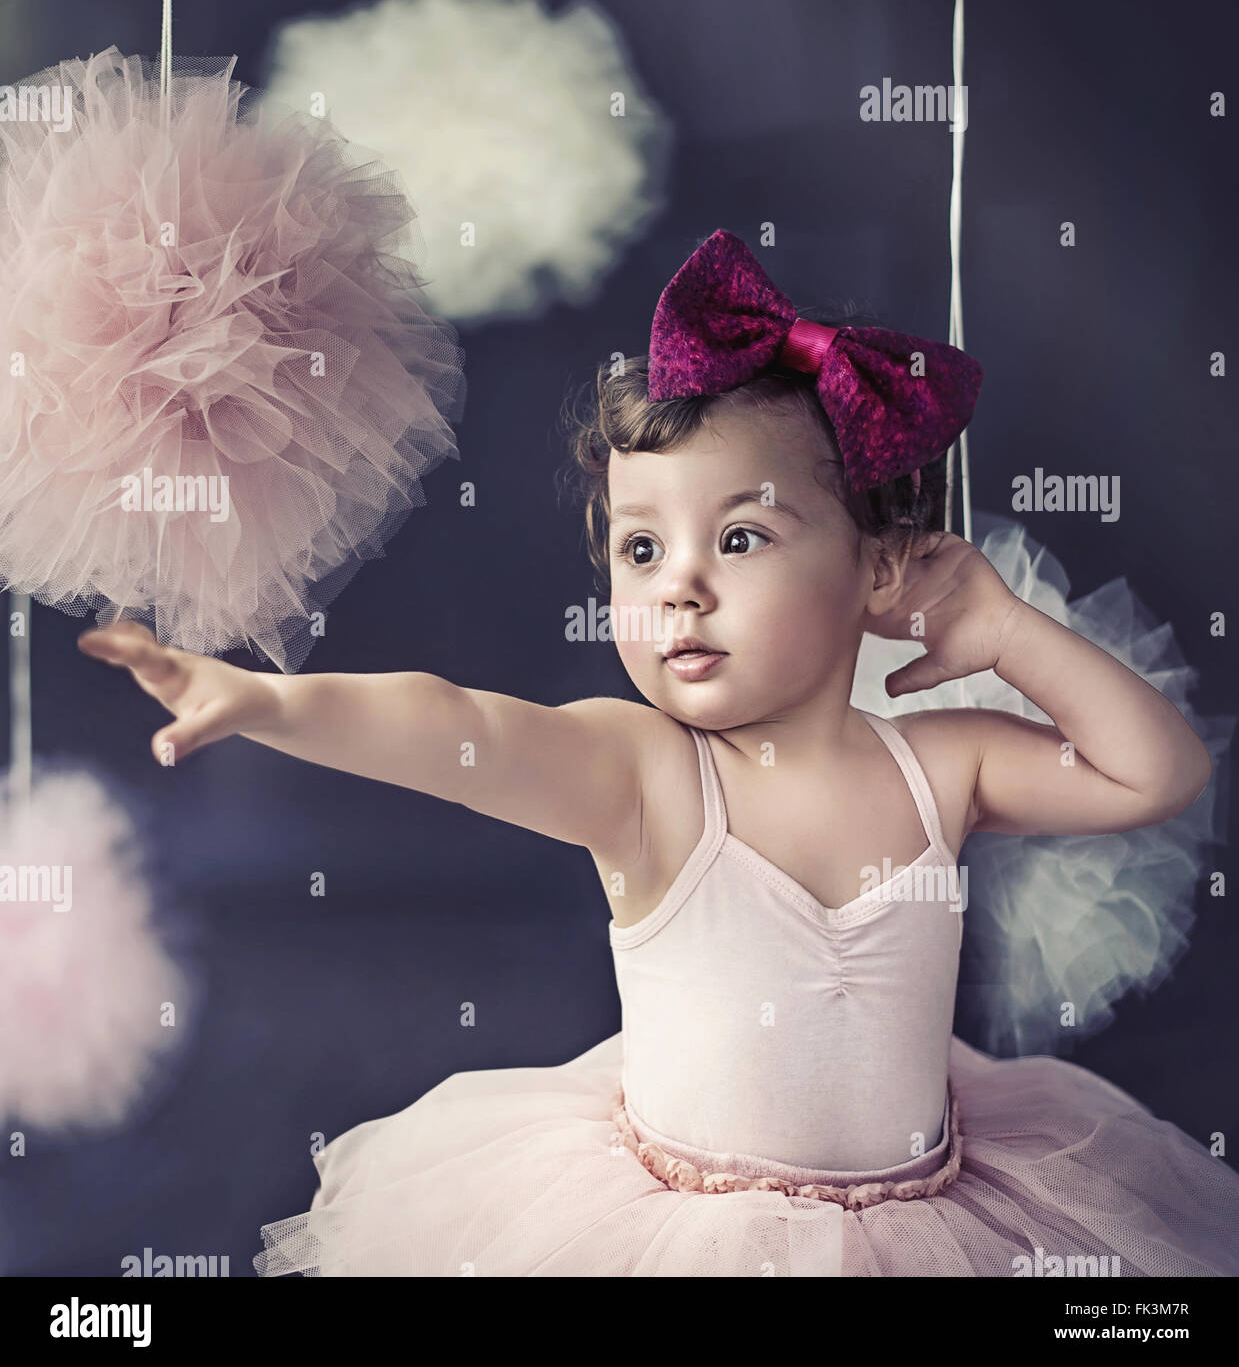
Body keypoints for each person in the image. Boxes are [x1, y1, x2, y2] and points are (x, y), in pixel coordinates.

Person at [80, 228, 1239, 1276]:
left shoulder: (941, 765)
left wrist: (1004, 631)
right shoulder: (649, 778)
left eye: (740, 537)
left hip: (928, 1225)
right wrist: (266, 701)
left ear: (880, 567)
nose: (680, 584)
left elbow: (1159, 772)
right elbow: (458, 727)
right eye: (642, 548)